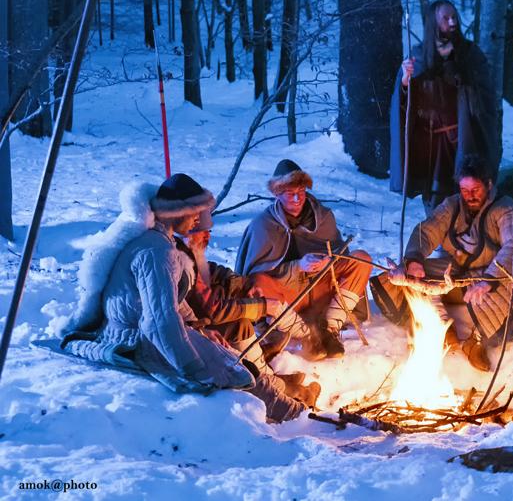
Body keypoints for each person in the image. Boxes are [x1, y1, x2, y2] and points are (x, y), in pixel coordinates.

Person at [62, 175, 307, 423]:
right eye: (193, 214)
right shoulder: (157, 252)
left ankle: (290, 406)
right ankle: (294, 416)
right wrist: (194, 369)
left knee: (228, 356)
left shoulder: (161, 243)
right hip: (135, 339)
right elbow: (159, 321)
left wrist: (197, 328)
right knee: (228, 368)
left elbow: (173, 301)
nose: (197, 221)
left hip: (146, 329)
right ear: (177, 213)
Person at [371, 154, 513, 372]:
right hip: (461, 273)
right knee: (410, 276)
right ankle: (443, 326)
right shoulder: (452, 206)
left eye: (475, 190)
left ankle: (476, 341)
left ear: (489, 184)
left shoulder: (506, 209)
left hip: (496, 273)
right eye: (465, 190)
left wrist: (489, 280)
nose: (469, 196)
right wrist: (414, 259)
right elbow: (427, 232)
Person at [177, 210, 321, 408]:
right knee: (239, 324)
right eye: (202, 231)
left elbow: (212, 270)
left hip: (196, 322)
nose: (207, 236)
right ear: (186, 231)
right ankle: (280, 387)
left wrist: (241, 284)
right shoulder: (179, 259)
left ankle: (286, 363)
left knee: (252, 303)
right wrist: (262, 307)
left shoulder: (189, 254)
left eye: (208, 230)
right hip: (192, 331)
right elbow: (214, 309)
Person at [235, 159, 373, 360]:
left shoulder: (323, 216)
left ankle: (329, 329)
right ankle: (307, 336)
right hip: (287, 297)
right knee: (258, 283)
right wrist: (298, 266)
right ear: (277, 194)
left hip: (321, 291)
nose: (297, 198)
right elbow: (254, 274)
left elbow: (339, 252)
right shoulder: (262, 226)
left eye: (301, 191)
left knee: (362, 259)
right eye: (290, 194)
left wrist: (329, 261)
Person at [390, 0, 500, 213]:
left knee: (468, 197)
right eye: (446, 18)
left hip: (464, 142)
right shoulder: (419, 56)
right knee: (437, 206)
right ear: (433, 23)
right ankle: (441, 244)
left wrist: (455, 69)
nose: (452, 22)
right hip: (431, 149)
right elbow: (403, 105)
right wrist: (406, 81)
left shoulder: (470, 54)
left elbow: (485, 98)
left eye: (454, 17)